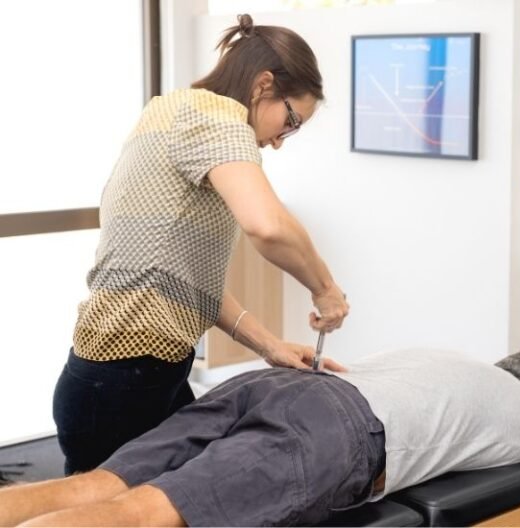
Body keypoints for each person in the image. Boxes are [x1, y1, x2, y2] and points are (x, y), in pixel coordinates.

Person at [52, 13, 350, 476]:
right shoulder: (218, 117)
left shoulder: (172, 108)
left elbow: (184, 281)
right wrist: (326, 288)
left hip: (133, 377)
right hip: (122, 384)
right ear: (262, 85)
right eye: (290, 121)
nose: (279, 143)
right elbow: (268, 226)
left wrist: (268, 345)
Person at [1, 350, 520, 527]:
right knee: (148, 513)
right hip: (334, 429)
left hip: (274, 384)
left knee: (101, 484)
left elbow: (350, 376)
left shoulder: (444, 359)